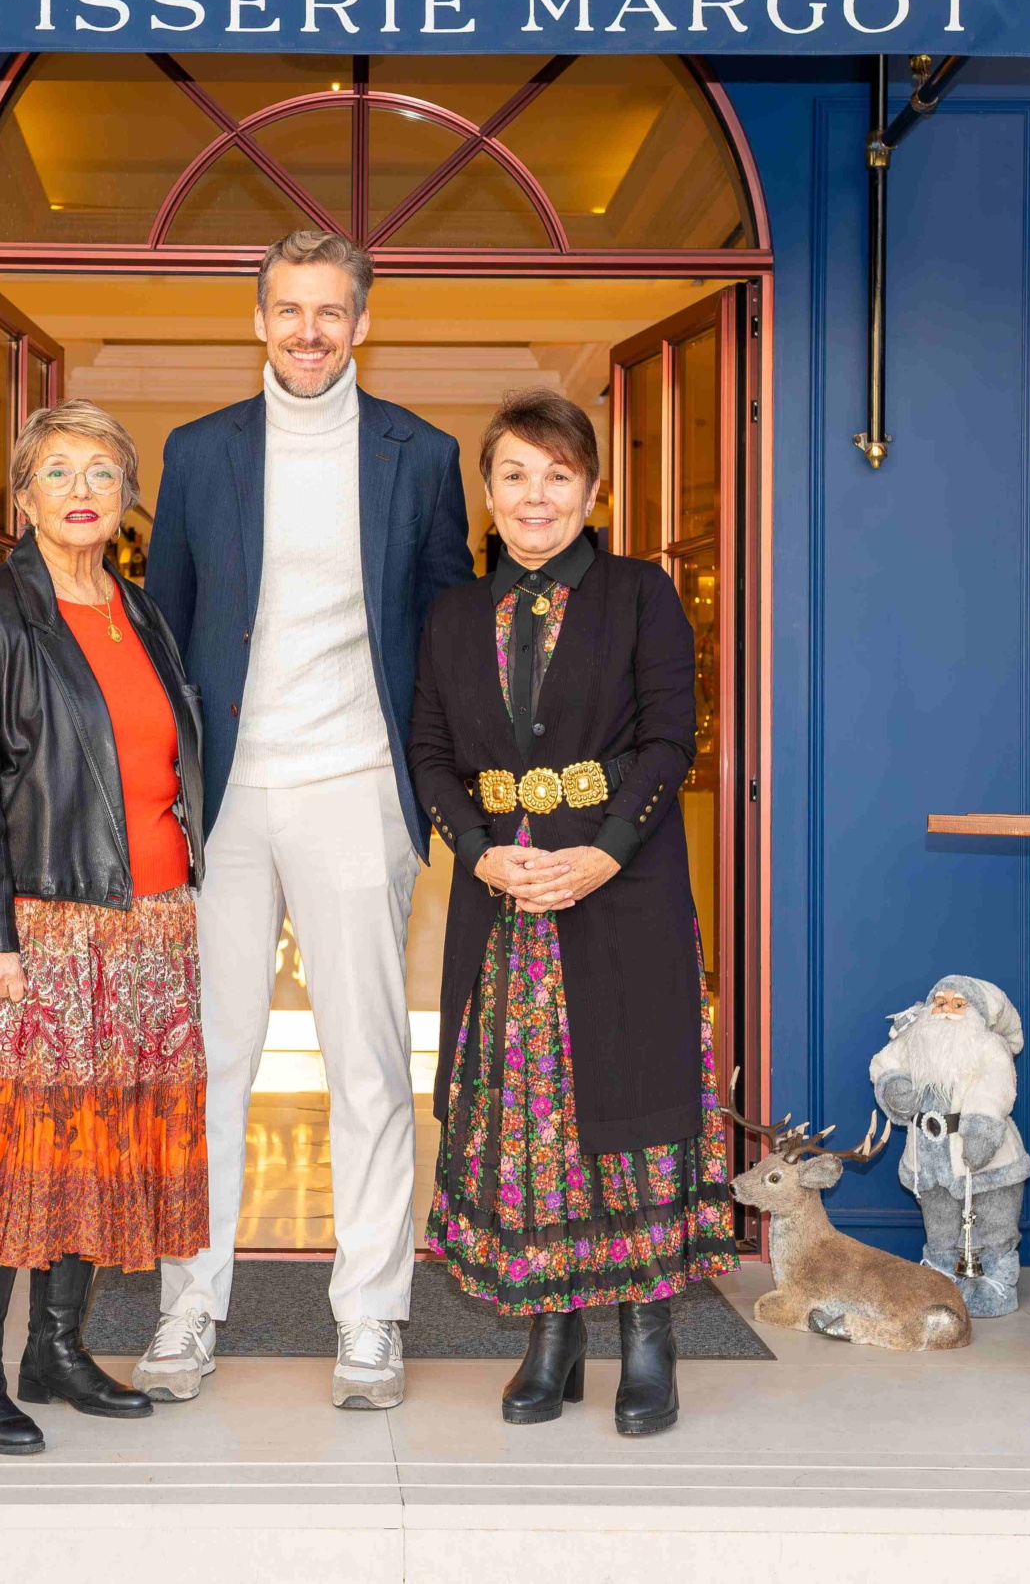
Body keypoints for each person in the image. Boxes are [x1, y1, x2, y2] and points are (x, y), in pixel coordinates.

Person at [139, 231, 474, 1409]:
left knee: (371, 1067)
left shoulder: (421, 456)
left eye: (330, 311)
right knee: (210, 1062)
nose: (309, 331)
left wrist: (437, 789)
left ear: (362, 321)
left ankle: (372, 1316)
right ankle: (189, 1308)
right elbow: (165, 633)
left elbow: (445, 634)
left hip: (358, 788)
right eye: (288, 308)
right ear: (258, 318)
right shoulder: (199, 451)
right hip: (227, 797)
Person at [409, 389, 737, 1438]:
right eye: (513, 474)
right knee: (528, 1126)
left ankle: (648, 1334)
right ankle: (549, 1334)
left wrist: (605, 852)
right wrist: (479, 851)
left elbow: (669, 738)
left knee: (633, 1115)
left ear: (591, 489)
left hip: (621, 891)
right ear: (488, 492)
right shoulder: (455, 610)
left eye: (557, 475)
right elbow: (426, 752)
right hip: (502, 902)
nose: (535, 495)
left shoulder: (642, 592)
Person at [0, 399, 210, 1457]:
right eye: (57, 471)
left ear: (126, 498)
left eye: (101, 472)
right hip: (33, 924)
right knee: (6, 1153)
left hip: (149, 923)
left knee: (101, 1142)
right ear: (21, 495)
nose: (80, 490)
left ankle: (59, 1349)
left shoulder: (143, 610)